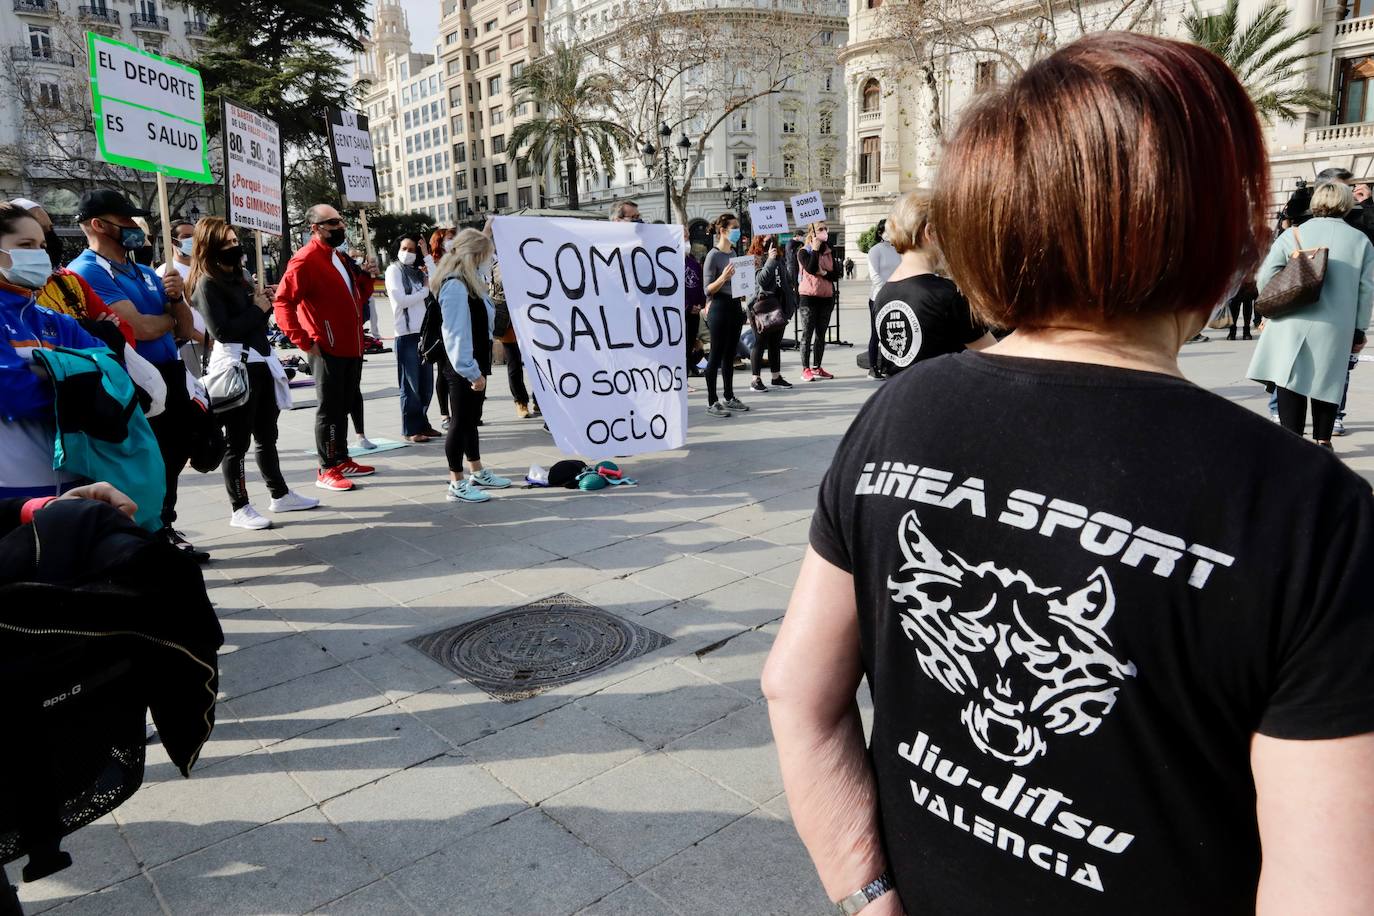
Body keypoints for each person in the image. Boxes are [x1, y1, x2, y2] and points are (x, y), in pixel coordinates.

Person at [764, 32, 1374, 916]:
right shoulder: (1314, 516)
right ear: (1223, 230)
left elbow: (794, 688)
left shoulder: (901, 410)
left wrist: (867, 895)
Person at [68, 189, 207, 563]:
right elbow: (141, 328)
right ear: (98, 225)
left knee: (174, 454)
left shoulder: (145, 271)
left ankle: (163, 524)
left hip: (170, 374)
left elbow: (185, 327)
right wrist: (168, 322)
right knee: (148, 460)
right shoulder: (87, 271)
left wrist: (177, 302)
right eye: (126, 221)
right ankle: (142, 535)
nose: (134, 228)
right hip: (135, 382)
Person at [190, 218, 318, 529]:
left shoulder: (242, 277)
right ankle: (240, 506)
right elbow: (222, 331)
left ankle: (280, 493)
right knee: (237, 442)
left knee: (266, 435)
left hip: (260, 362)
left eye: (236, 241)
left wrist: (266, 304)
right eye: (227, 243)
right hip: (236, 367)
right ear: (211, 247)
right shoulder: (207, 283)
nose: (235, 247)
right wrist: (257, 309)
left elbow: (256, 323)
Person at [1248, 181, 1373, 449]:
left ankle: (1293, 444)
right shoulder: (1360, 240)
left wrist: (1277, 301)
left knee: (1289, 378)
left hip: (1290, 319)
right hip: (1335, 325)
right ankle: (1323, 441)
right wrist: (1359, 328)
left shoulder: (1293, 235)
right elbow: (1366, 290)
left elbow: (1265, 278)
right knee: (1328, 381)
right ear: (1346, 204)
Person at [0, 203, 113, 498]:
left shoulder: (55, 321)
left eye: (41, 245)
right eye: (25, 245)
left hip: (81, 482)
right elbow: (12, 394)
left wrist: (52, 379)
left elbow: (115, 375)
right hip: (14, 491)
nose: (39, 254)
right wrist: (81, 387)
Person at [272, 204, 378, 492]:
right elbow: (283, 302)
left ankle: (341, 458)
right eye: (332, 223)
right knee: (329, 409)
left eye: (341, 221)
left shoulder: (338, 256)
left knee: (342, 405)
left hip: (351, 346)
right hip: (327, 347)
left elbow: (356, 297)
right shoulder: (305, 260)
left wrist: (366, 277)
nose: (340, 226)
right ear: (315, 228)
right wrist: (303, 340)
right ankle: (327, 467)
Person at [871, 191, 996, 376]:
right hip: (944, 397)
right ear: (930, 233)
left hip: (900, 398)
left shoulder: (882, 296)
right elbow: (992, 356)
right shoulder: (948, 295)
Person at [433, 229, 512, 502]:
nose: (490, 261)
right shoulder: (455, 285)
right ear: (475, 256)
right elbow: (455, 334)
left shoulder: (470, 279)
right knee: (460, 421)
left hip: (473, 361)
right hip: (461, 365)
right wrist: (470, 371)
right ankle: (456, 482)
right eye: (487, 256)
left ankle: (476, 470)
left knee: (470, 420)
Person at [387, 235, 439, 441]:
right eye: (404, 248)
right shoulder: (393, 270)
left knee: (426, 384)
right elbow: (400, 300)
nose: (408, 252)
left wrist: (426, 254)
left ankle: (423, 423)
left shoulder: (418, 273)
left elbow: (436, 282)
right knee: (410, 384)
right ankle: (410, 429)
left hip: (424, 334)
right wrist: (425, 291)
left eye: (412, 249)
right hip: (406, 335)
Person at [701, 213, 750, 418]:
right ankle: (712, 401)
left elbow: (738, 283)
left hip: (734, 307)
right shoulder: (713, 255)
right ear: (723, 231)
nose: (738, 231)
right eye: (734, 227)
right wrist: (723, 277)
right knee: (716, 355)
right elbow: (707, 289)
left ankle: (729, 396)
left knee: (731, 355)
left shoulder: (733, 253)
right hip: (719, 307)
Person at [157, 218, 210, 375]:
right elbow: (172, 314)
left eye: (194, 235)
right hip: (190, 345)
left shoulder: (205, 271)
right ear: (173, 241)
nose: (192, 240)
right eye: (186, 236)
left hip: (215, 343)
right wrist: (204, 340)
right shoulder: (166, 273)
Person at [745, 234, 795, 392]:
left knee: (775, 343)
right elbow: (761, 280)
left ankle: (776, 377)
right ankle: (755, 379)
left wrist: (790, 305)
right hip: (760, 307)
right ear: (759, 240)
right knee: (759, 342)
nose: (771, 242)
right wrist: (771, 261)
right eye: (767, 240)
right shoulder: (754, 259)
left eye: (773, 239)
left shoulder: (778, 258)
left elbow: (786, 281)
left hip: (777, 305)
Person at [796, 220, 842, 381]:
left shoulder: (830, 251)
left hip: (826, 297)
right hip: (808, 298)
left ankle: (817, 367)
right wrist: (815, 250)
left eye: (825, 228)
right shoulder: (803, 251)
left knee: (821, 335)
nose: (824, 231)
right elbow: (810, 267)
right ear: (812, 232)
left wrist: (824, 274)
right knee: (807, 334)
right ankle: (805, 369)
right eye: (820, 229)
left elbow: (837, 274)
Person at [866, 219, 901, 379]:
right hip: (879, 297)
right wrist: (889, 290)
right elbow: (875, 276)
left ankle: (887, 366)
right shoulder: (875, 250)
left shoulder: (897, 250)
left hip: (896, 296)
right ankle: (873, 368)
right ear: (880, 232)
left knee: (891, 333)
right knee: (876, 333)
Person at [683, 224, 706, 376]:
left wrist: (700, 304)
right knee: (682, 343)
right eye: (684, 237)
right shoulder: (669, 260)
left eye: (688, 237)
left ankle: (691, 366)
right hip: (682, 310)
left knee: (691, 340)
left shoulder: (693, 261)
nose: (687, 240)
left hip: (695, 310)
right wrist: (687, 306)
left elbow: (699, 284)